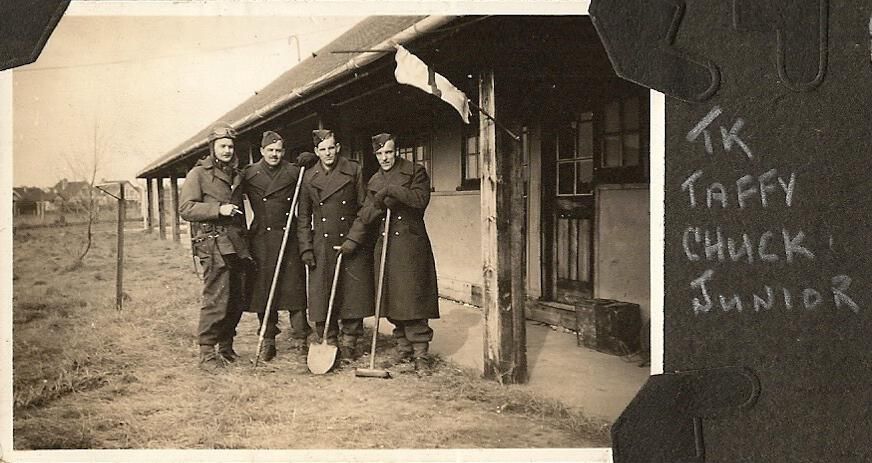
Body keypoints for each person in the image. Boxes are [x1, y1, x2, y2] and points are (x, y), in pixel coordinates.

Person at [343, 133, 439, 375]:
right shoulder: (374, 180)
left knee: (413, 300)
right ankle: (404, 348)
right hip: (386, 245)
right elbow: (365, 216)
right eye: (379, 153)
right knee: (392, 299)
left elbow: (420, 200)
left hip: (410, 245)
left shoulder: (415, 171)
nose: (384, 157)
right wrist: (352, 241)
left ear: (396, 151)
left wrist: (393, 191)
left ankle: (421, 354)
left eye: (388, 152)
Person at [297, 129, 375, 366]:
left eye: (331, 147)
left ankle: (350, 340)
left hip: (350, 240)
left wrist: (354, 239)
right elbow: (303, 217)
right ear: (316, 151)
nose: (328, 153)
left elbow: (365, 208)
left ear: (338, 147)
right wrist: (306, 248)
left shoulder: (353, 170)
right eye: (323, 149)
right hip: (322, 243)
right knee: (322, 292)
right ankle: (328, 338)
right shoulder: (308, 177)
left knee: (352, 292)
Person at [179, 122, 252, 372]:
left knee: (237, 298)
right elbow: (186, 209)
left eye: (230, 146)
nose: (227, 150)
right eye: (222, 146)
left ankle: (226, 347)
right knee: (216, 298)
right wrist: (218, 210)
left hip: (236, 244)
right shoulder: (198, 174)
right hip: (213, 244)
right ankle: (207, 353)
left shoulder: (236, 173)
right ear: (212, 148)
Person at [240, 130, 318, 364]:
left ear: (283, 152)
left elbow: (314, 170)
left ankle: (301, 338)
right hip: (261, 239)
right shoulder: (249, 173)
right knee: (264, 291)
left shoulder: (294, 172)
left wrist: (310, 159)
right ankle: (268, 339)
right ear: (262, 151)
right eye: (270, 150)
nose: (274, 154)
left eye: (278, 150)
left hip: (288, 237)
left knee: (294, 289)